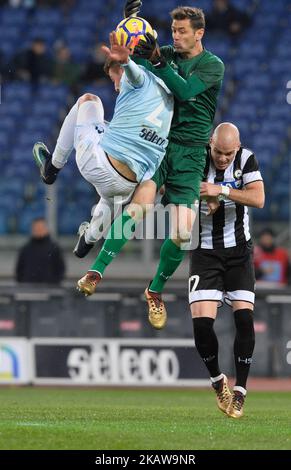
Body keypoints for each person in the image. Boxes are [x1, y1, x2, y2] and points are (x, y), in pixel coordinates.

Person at [77, 4, 225, 331]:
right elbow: (131, 62)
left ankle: (154, 290)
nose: (177, 36)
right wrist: (129, 24)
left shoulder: (213, 65)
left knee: (183, 232)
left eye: (184, 31)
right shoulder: (165, 53)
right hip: (159, 146)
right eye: (174, 30)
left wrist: (158, 61)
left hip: (189, 155)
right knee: (139, 208)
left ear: (199, 33)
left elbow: (185, 93)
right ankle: (95, 271)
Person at [33, 32, 174, 265]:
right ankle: (88, 239)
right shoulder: (168, 95)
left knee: (89, 100)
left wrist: (126, 62)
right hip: (129, 184)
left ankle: (52, 166)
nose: (116, 86)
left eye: (113, 79)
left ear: (121, 71)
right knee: (110, 196)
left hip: (99, 165)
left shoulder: (136, 80)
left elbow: (135, 74)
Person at [189, 123, 265, 419]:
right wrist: (199, 197)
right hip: (205, 251)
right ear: (210, 144)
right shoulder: (197, 158)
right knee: (202, 326)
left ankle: (241, 392)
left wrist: (220, 191)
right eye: (218, 152)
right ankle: (218, 381)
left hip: (238, 253)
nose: (222, 158)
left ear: (238, 147)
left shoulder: (247, 160)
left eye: (228, 153)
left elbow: (258, 198)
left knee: (244, 318)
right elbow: (176, 190)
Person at [16, 218, 65, 284]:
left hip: (50, 289)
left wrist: (54, 283)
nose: (38, 230)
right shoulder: (25, 249)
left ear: (46, 229)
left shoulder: (54, 248)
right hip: (28, 289)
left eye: (41, 228)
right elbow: (19, 270)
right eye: (36, 228)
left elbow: (60, 269)